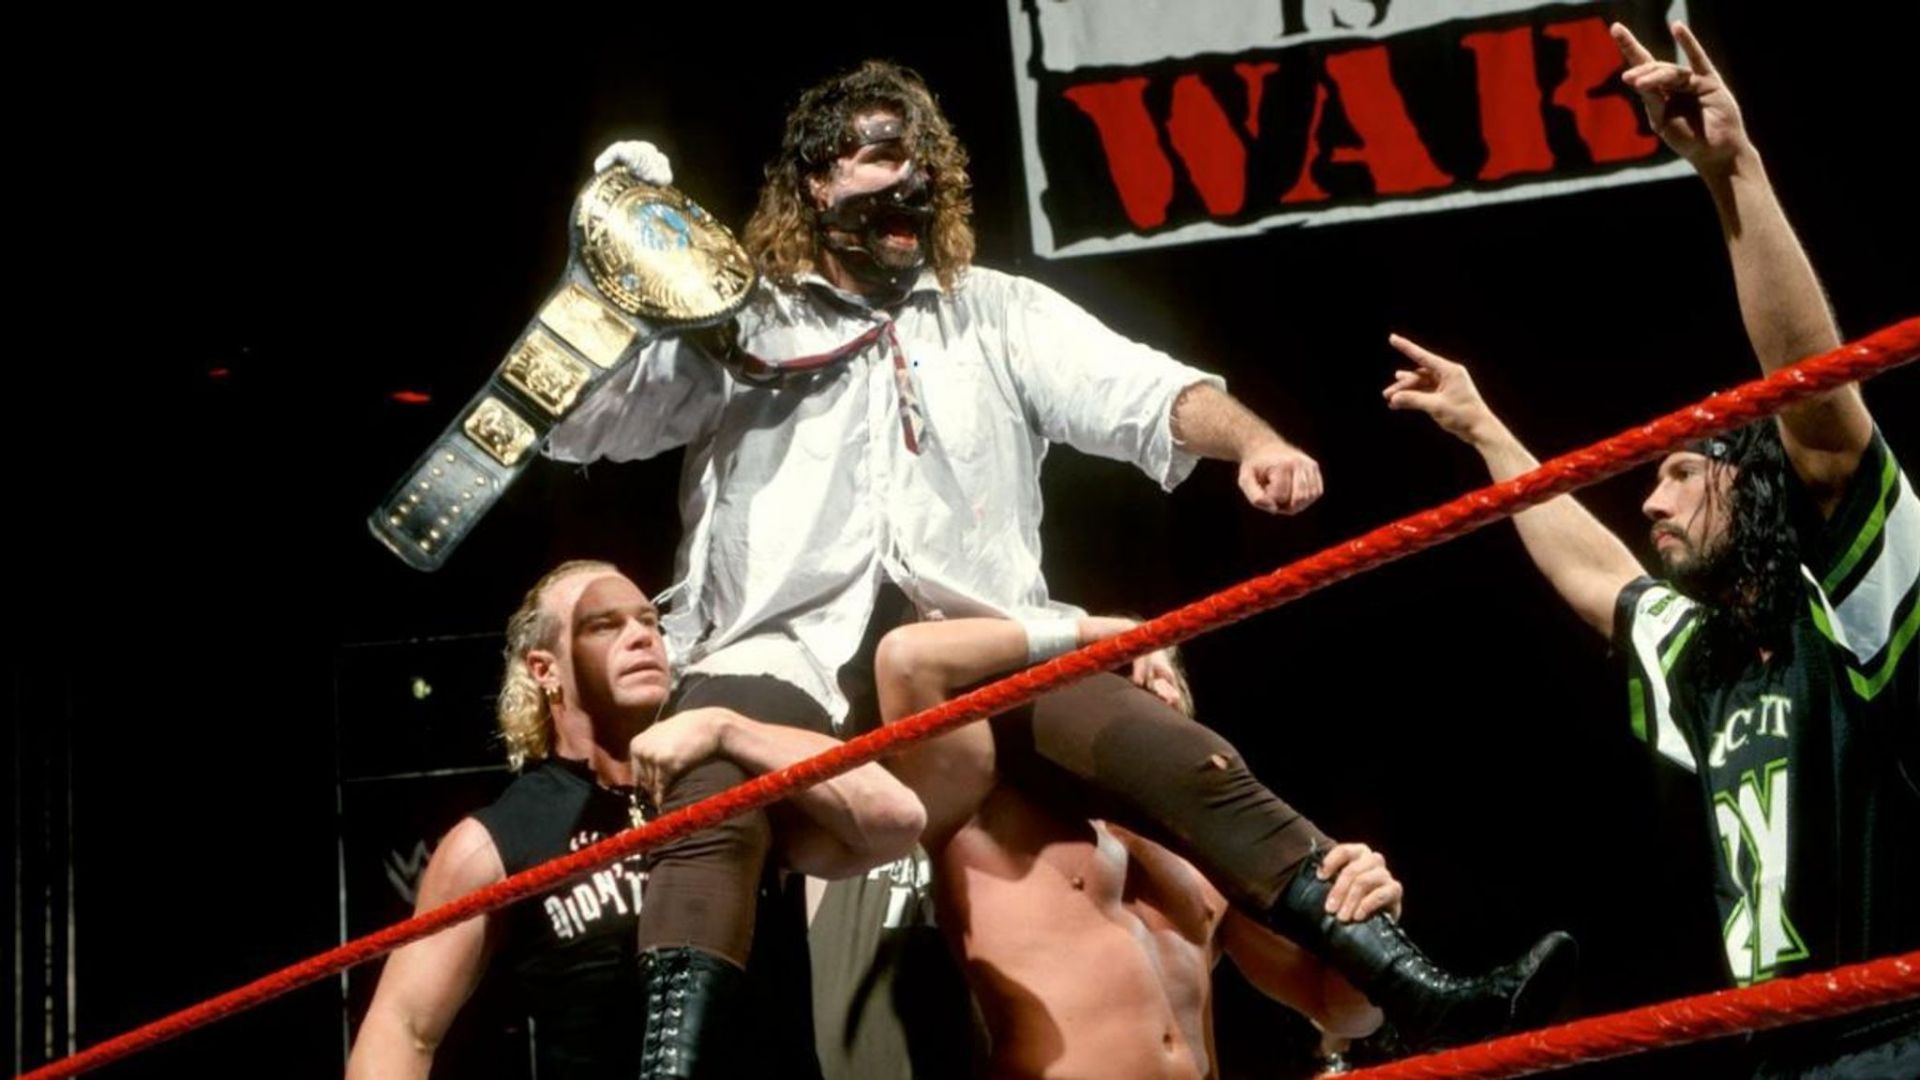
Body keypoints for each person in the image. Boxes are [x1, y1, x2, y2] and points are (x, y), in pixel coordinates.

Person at [555, 59, 1567, 1070]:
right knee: (708, 799)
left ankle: (1418, 990)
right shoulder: (744, 322)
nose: (902, 183)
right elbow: (585, 423)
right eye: (874, 157)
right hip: (783, 645)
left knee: (1174, 754)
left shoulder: (994, 312)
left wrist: (1249, 442)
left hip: (980, 643)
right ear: (815, 182)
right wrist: (608, 253)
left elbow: (1148, 391)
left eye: (918, 164)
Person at [1384, 22, 1918, 1075]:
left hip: (1896, 1029)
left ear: (1749, 480)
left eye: (1681, 470)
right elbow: (1599, 579)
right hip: (1780, 1052)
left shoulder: (1853, 609)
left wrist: (1734, 174)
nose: (1652, 497)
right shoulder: (1709, 659)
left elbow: (1815, 410)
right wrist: (1488, 431)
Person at [344, 560, 924, 1079]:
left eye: (650, 622)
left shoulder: (733, 775)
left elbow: (896, 819)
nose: (641, 637)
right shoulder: (499, 838)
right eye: (605, 625)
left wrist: (727, 729)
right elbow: (402, 1028)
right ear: (545, 669)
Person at [873, 613, 1410, 1079]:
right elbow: (907, 661)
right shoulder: (986, 803)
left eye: (1164, 667)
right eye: (1123, 670)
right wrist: (1094, 633)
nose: (1150, 683)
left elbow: (1340, 1013)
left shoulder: (1210, 856)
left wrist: (1368, 920)